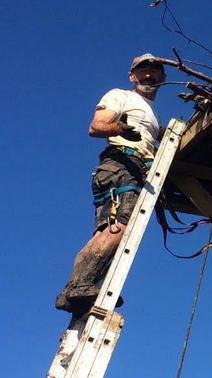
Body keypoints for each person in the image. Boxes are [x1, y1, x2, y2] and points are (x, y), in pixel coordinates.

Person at [55, 53, 167, 315]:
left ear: (163, 78)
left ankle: (78, 289)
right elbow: (96, 126)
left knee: (108, 230)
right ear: (132, 76)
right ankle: (78, 285)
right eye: (142, 70)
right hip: (121, 164)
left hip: (135, 168)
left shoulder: (152, 113)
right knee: (120, 227)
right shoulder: (121, 96)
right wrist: (119, 128)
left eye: (154, 71)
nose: (148, 74)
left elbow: (164, 135)